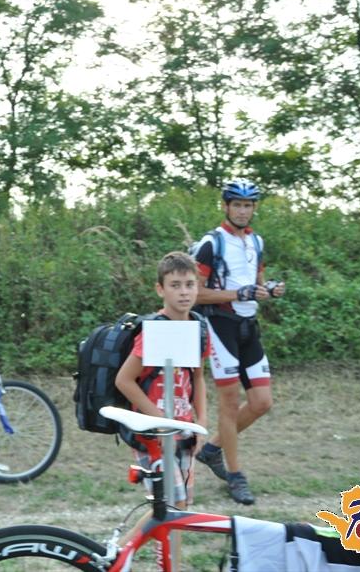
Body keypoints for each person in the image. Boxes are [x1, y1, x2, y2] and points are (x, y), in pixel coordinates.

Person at [192, 180, 286, 505]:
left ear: (253, 208)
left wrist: (268, 289)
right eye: (237, 205)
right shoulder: (211, 243)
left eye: (248, 206)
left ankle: (212, 449)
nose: (243, 211)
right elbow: (195, 292)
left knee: (262, 402)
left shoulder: (256, 242)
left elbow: (255, 283)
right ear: (226, 206)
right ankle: (235, 475)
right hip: (221, 326)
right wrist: (237, 294)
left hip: (249, 327)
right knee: (230, 404)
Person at [115, 252, 209, 517]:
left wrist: (201, 423)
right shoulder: (154, 330)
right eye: (175, 285)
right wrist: (158, 419)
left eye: (189, 284)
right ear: (160, 289)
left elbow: (198, 377)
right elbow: (124, 380)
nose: (184, 292)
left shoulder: (199, 328)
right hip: (153, 433)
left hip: (185, 429)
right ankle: (123, 544)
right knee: (169, 505)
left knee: (180, 507)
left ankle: (167, 549)